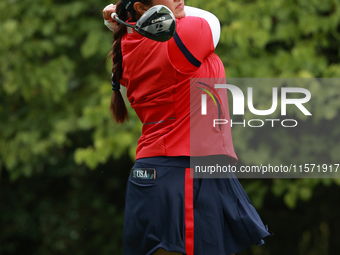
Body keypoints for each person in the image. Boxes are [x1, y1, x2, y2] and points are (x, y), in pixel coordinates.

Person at [102, 1, 271, 255]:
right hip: (183, 175)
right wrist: (123, 15)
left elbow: (146, 26)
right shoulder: (185, 34)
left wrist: (125, 16)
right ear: (141, 7)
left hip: (154, 174)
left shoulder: (127, 46)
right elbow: (212, 21)